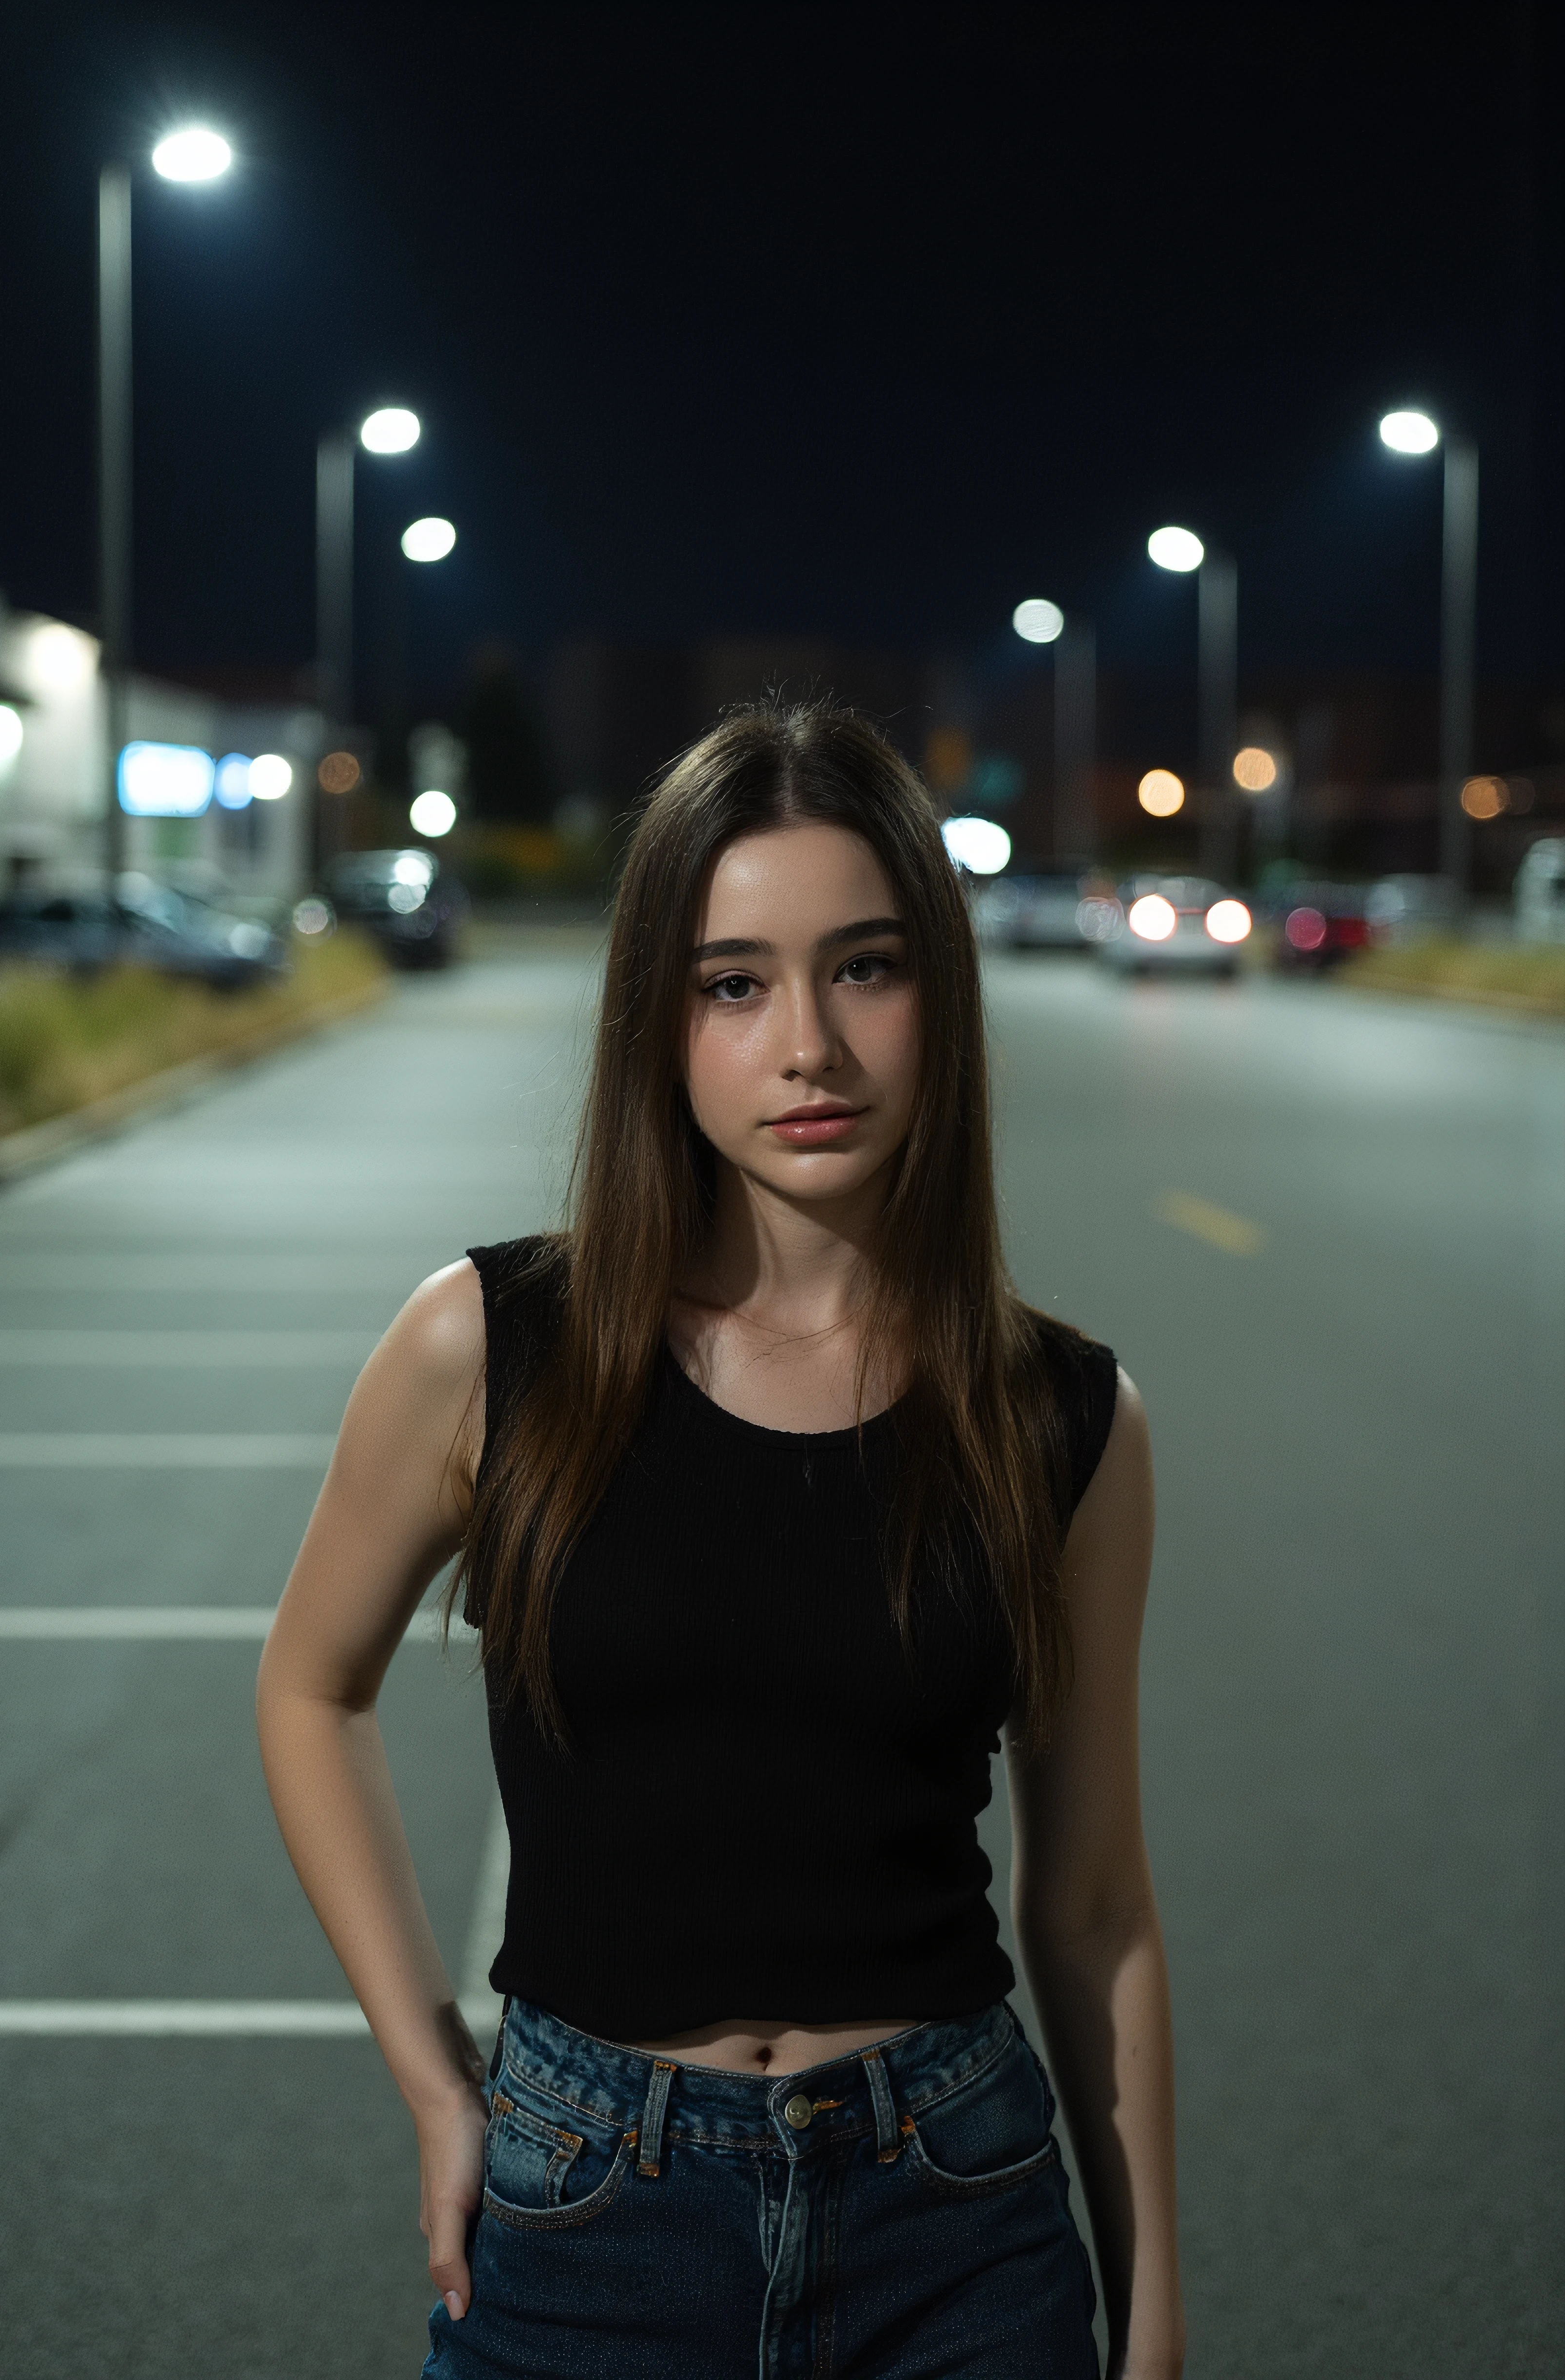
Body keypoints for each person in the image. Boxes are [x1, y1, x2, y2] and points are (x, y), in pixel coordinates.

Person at [257, 702, 1185, 2379]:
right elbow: (310, 1689)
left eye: (869, 967)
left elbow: (1098, 1902)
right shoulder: (491, 1343)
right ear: (659, 1023)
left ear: (941, 1001)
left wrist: (1156, 2311)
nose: (809, 1045)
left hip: (958, 2203)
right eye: (734, 982)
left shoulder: (1068, 1418)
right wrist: (432, 2075)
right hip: (587, 2198)